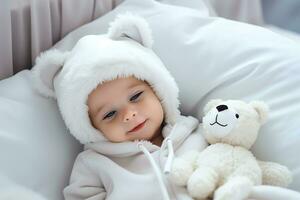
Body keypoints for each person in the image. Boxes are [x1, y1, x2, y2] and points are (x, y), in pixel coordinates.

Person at [32, 14, 207, 200]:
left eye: (136, 96)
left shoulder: (196, 133)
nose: (128, 115)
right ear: (92, 129)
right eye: (109, 114)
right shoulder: (95, 163)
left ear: (158, 91)